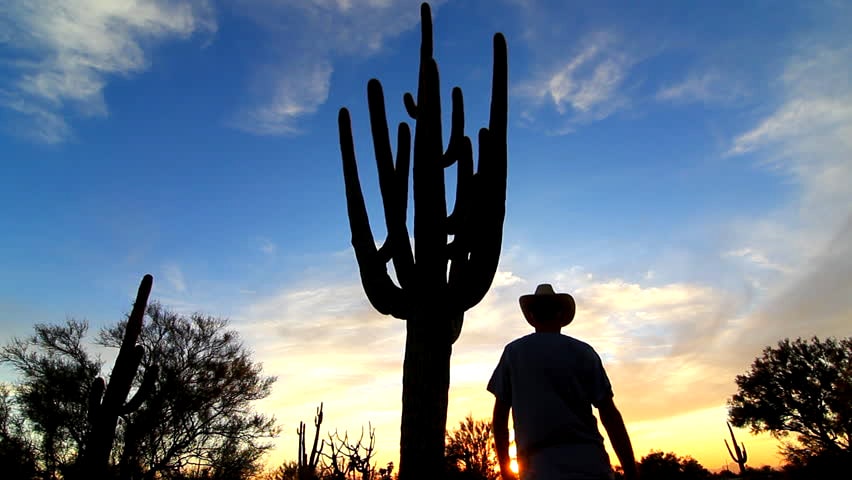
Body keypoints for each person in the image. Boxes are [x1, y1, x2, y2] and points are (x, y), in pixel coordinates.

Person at [487, 284, 638, 480]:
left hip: (538, 469)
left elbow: (500, 418)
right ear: (560, 314)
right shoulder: (584, 352)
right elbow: (609, 414)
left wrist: (506, 472)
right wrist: (631, 471)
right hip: (591, 466)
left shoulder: (514, 353)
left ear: (532, 316)